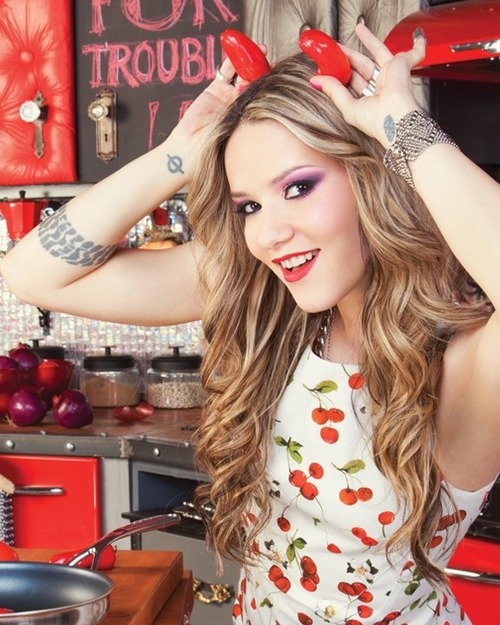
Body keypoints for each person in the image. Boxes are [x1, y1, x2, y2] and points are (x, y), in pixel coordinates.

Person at [2, 23, 500, 625]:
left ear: (373, 177)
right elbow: (33, 274)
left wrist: (402, 127)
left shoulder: (463, 359)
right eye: (250, 206)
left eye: (299, 186)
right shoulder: (274, 304)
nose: (267, 234)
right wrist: (178, 155)